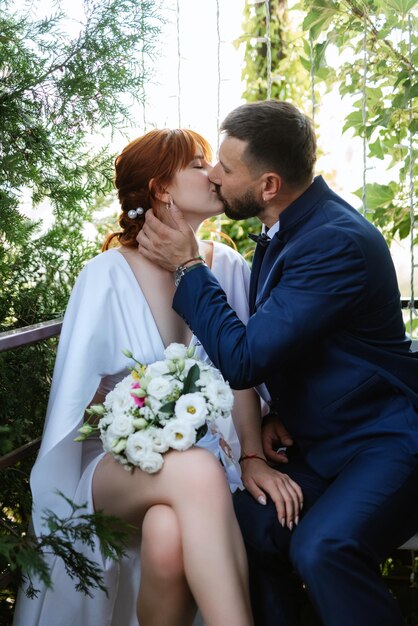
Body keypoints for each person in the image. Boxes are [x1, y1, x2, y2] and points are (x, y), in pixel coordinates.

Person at [136, 100, 418, 626]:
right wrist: (269, 419)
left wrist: (188, 265)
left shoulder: (333, 242)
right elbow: (298, 345)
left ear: (268, 186)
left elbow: (244, 359)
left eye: (226, 168)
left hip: (389, 442)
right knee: (244, 521)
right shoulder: (287, 227)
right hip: (322, 444)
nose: (214, 177)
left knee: (322, 547)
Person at [13, 127, 305, 626]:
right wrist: (137, 411)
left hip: (211, 466)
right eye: (197, 163)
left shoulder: (228, 266)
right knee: (194, 470)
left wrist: (253, 456)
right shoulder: (105, 275)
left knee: (168, 534)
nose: (214, 175)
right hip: (115, 470)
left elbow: (243, 378)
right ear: (160, 189)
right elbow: (75, 410)